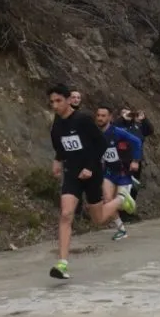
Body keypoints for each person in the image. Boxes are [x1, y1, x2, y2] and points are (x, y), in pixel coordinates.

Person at [47, 84, 136, 279]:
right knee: (66, 214)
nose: (55, 105)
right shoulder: (57, 125)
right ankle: (62, 263)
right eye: (52, 102)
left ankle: (121, 199)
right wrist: (57, 161)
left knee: (98, 219)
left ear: (69, 100)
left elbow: (101, 144)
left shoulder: (83, 119)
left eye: (58, 101)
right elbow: (61, 147)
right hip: (72, 174)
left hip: (92, 173)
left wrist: (89, 166)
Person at [94, 106, 143, 241]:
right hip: (108, 172)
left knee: (120, 202)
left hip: (122, 172)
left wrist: (136, 161)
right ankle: (121, 229)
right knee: (108, 200)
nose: (100, 118)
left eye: (103, 116)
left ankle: (127, 201)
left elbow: (137, 142)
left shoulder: (118, 132)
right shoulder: (95, 134)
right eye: (98, 115)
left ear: (110, 117)